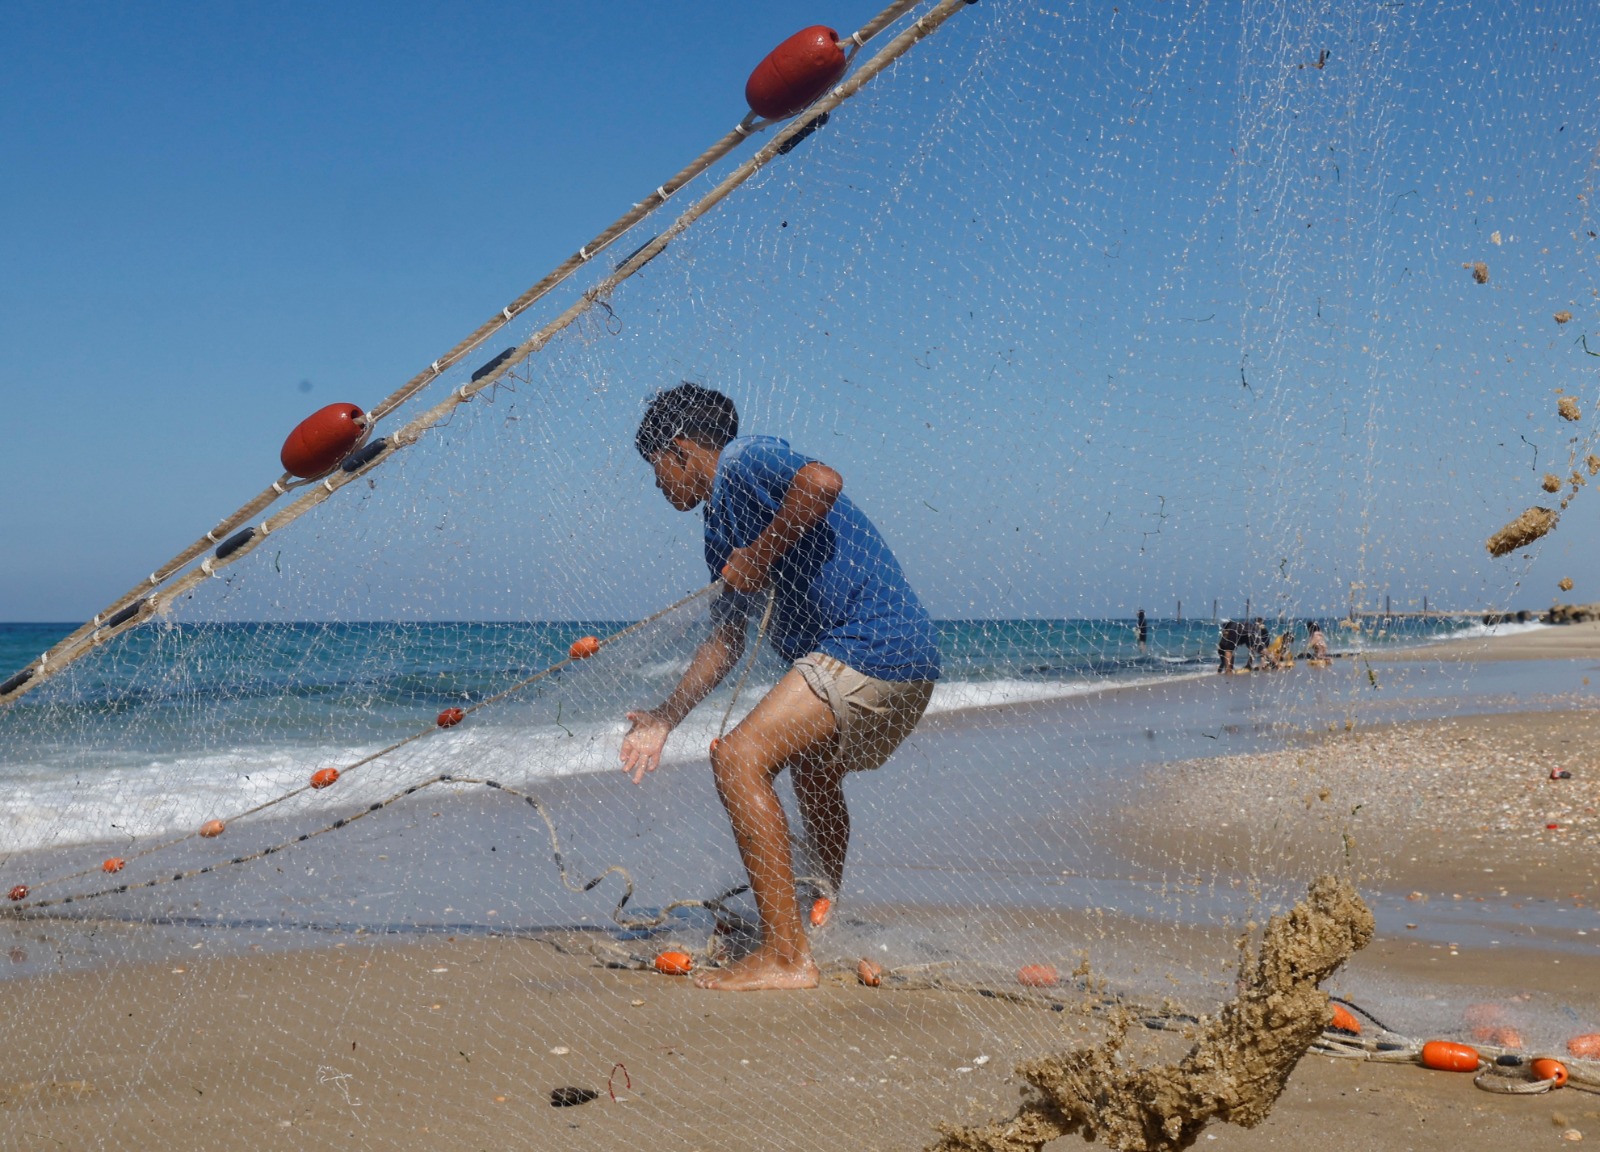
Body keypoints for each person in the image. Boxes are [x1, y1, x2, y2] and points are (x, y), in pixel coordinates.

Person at [619, 384, 941, 991]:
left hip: (871, 643)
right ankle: (815, 914)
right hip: (904, 661)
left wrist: (762, 553)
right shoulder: (718, 530)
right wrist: (665, 718)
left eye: (657, 468)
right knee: (811, 769)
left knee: (739, 759)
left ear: (682, 451)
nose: (659, 485)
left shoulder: (743, 460)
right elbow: (725, 640)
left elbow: (821, 482)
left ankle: (787, 957)